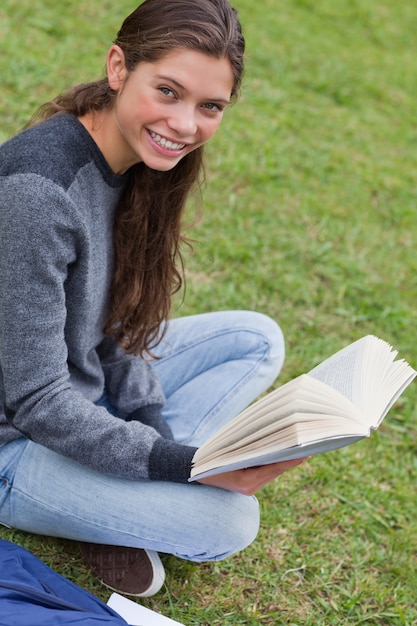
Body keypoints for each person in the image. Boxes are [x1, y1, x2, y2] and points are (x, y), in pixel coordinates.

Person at [0, 0, 304, 598]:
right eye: (168, 91)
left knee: (255, 339)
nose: (186, 125)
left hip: (75, 392)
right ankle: (106, 502)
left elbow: (115, 325)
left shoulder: (136, 158)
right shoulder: (38, 194)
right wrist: (185, 466)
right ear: (118, 68)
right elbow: (36, 401)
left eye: (209, 106)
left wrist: (153, 431)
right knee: (230, 521)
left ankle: (115, 492)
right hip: (16, 439)